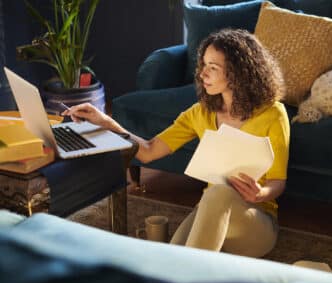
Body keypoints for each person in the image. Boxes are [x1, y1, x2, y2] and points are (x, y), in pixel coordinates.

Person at [62, 28, 290, 258]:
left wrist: (260, 193)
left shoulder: (272, 113)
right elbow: (148, 152)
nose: (203, 74)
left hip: (255, 224)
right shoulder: (200, 113)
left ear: (238, 72)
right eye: (203, 65)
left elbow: (277, 182)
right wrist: (105, 122)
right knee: (171, 259)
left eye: (213, 67)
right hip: (211, 212)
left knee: (219, 193)